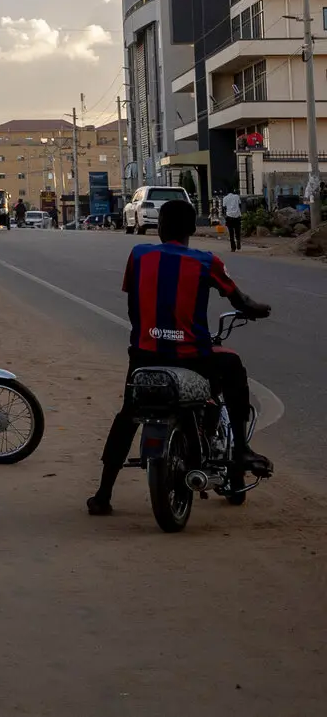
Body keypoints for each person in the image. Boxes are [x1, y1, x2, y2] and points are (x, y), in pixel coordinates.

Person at [87, 199, 274, 515]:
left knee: (128, 416)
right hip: (193, 358)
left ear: (159, 227)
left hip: (144, 356)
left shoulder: (139, 255)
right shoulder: (206, 261)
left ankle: (103, 494)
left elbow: (133, 304)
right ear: (191, 229)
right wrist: (259, 309)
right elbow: (241, 301)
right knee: (232, 365)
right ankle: (241, 449)